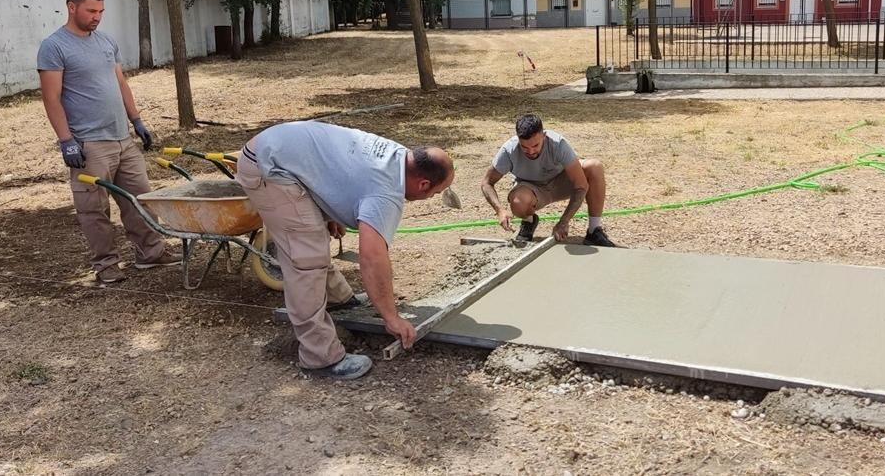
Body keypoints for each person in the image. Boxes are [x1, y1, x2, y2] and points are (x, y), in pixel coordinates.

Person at [236, 122, 455, 380]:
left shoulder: (398, 158)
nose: (432, 197)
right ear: (423, 184)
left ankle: (338, 300)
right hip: (269, 166)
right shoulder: (385, 194)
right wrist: (391, 317)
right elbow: (372, 258)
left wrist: (330, 211)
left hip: (281, 151)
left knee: (312, 239)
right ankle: (320, 357)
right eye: (436, 193)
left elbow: (337, 168)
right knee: (306, 257)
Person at [37, 0, 180, 285]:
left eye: (101, 11)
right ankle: (106, 265)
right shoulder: (54, 46)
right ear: (72, 7)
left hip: (122, 139)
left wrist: (137, 120)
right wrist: (66, 141)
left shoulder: (106, 42)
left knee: (140, 198)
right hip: (89, 144)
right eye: (91, 11)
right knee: (94, 208)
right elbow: (51, 97)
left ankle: (150, 253)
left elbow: (121, 84)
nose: (97, 17)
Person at [482, 113, 618, 247]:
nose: (531, 151)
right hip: (531, 188)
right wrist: (499, 210)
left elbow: (581, 186)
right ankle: (528, 221)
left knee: (594, 167)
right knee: (518, 202)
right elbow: (487, 183)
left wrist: (564, 221)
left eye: (535, 145)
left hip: (561, 183)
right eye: (525, 147)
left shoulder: (558, 144)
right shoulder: (509, 150)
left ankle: (594, 231)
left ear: (544, 136)